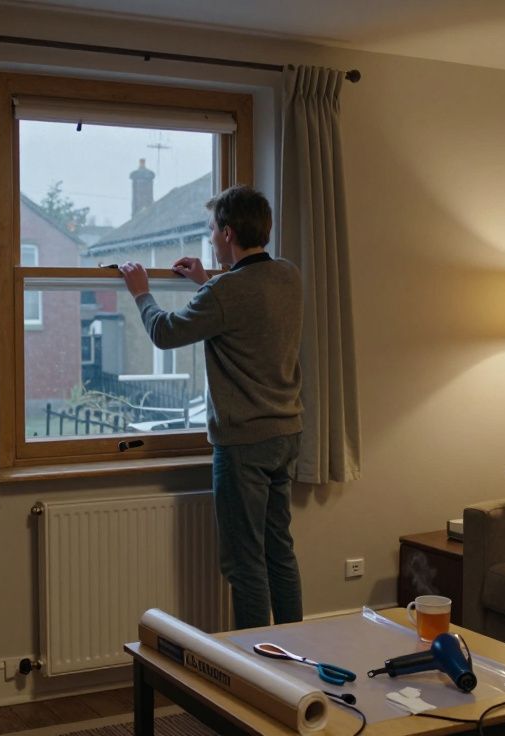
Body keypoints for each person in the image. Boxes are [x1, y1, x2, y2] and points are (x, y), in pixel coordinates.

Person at [117, 185, 304, 630]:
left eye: (212, 230)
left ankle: (253, 663)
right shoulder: (288, 275)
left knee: (245, 563)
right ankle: (296, 649)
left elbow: (165, 332)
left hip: (244, 444)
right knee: (279, 551)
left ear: (228, 232)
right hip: (286, 434)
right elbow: (248, 309)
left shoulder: (225, 292)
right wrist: (207, 282)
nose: (211, 238)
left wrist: (141, 293)